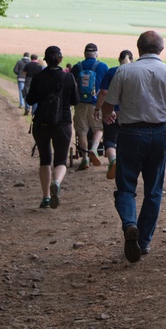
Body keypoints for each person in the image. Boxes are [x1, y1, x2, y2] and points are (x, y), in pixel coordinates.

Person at [101, 31, 166, 263]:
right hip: (159, 133)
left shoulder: (124, 71)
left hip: (130, 133)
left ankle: (130, 224)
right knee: (153, 191)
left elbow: (108, 105)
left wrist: (108, 116)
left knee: (126, 187)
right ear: (161, 49)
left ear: (138, 48)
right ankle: (143, 242)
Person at [25, 45, 77, 209]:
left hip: (42, 123)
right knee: (61, 160)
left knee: (45, 160)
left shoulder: (39, 77)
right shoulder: (68, 78)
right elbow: (75, 101)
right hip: (63, 123)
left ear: (45, 60)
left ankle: (46, 197)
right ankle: (57, 182)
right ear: (60, 59)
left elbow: (30, 100)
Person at [94, 49, 133, 180]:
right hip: (129, 114)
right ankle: (126, 166)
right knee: (128, 139)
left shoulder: (111, 71)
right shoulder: (135, 72)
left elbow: (103, 92)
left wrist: (98, 109)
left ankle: (112, 161)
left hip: (111, 112)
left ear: (118, 59)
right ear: (132, 60)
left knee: (110, 139)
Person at [70, 43, 109, 171]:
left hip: (80, 104)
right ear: (96, 54)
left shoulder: (77, 67)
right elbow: (106, 87)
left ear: (84, 54)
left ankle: (85, 158)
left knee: (81, 131)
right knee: (99, 129)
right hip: (96, 104)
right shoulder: (103, 66)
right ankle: (94, 148)